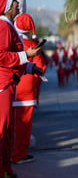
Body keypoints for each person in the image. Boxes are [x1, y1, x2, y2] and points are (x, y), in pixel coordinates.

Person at [0, 0, 43, 178]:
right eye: (15, 2)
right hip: (3, 86)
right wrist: (26, 56)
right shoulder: (2, 26)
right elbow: (2, 56)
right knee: (2, 131)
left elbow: (12, 58)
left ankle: (6, 169)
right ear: (7, 6)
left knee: (7, 132)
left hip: (9, 84)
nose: (18, 5)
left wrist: (29, 66)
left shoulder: (7, 26)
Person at [12, 13, 47, 165]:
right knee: (23, 125)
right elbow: (41, 67)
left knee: (9, 125)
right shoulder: (31, 45)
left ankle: (8, 154)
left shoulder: (10, 41)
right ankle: (19, 154)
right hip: (26, 91)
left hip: (10, 88)